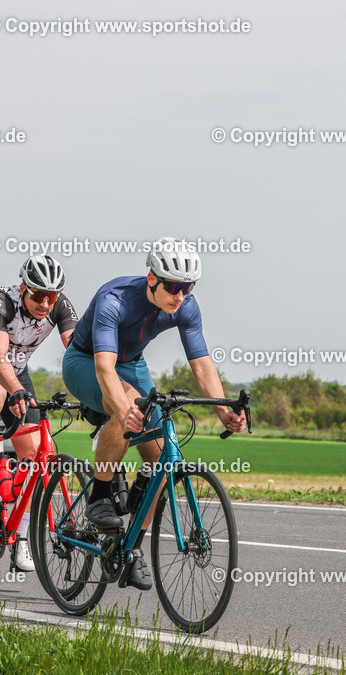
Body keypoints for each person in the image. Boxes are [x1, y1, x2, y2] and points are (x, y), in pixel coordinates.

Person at [62, 238, 245, 591]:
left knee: (162, 460)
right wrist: (124, 409)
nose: (180, 295)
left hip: (133, 363)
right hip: (86, 361)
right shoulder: (113, 299)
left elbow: (202, 364)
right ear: (152, 279)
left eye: (188, 287)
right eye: (174, 286)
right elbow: (104, 366)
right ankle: (99, 496)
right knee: (128, 406)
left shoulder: (187, 307)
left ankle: (130, 548)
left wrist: (223, 411)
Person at [0, 255, 77, 572]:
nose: (46, 303)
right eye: (38, 295)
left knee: (35, 456)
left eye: (52, 296)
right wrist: (13, 390)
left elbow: (77, 347)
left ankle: (21, 538)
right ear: (23, 288)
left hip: (16, 371)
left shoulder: (60, 306)